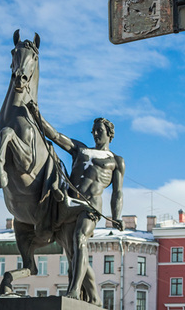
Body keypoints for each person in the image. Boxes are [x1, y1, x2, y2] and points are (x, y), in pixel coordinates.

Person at [27, 101, 125, 303]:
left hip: (90, 207)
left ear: (109, 133)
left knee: (80, 239)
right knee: (73, 253)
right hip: (68, 203)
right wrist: (37, 115)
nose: (96, 134)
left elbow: (117, 192)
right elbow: (54, 135)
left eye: (99, 131)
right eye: (93, 131)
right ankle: (95, 298)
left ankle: (73, 289)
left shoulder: (116, 160)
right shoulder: (79, 149)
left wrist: (116, 217)